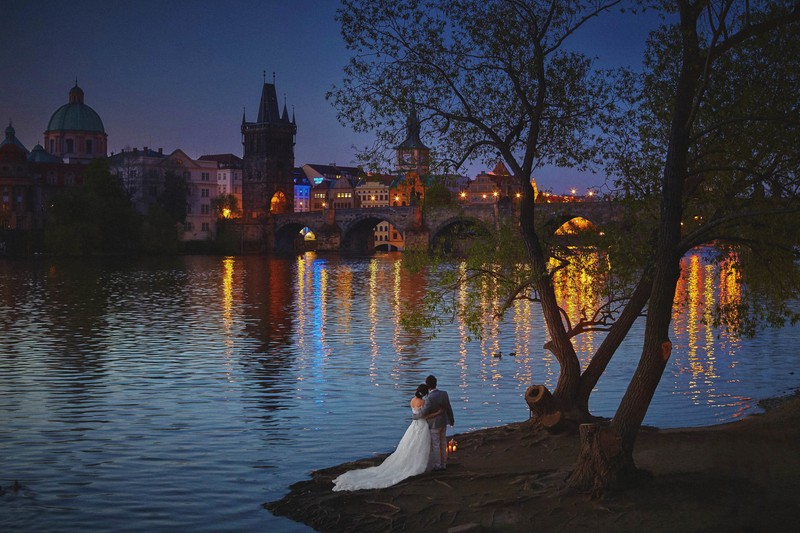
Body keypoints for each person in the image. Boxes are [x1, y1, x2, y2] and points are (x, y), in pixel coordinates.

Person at [332, 384, 439, 491]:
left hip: (413, 426)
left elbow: (415, 414)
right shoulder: (423, 402)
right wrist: (437, 413)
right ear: (425, 393)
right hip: (421, 425)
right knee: (421, 445)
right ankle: (420, 463)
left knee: (410, 444)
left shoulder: (412, 401)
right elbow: (423, 416)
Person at [421, 374, 455, 471]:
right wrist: (451, 419)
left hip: (434, 424)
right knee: (443, 443)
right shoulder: (444, 393)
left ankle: (438, 464)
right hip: (443, 422)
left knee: (436, 444)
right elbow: (449, 407)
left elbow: (424, 413)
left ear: (427, 386)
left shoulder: (429, 398)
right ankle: (444, 463)